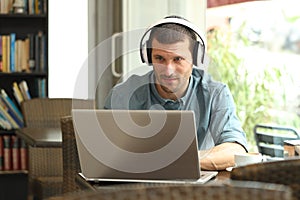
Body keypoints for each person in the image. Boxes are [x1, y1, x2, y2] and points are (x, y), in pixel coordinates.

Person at [104, 15, 248, 170]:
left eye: (178, 59)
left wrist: (180, 160)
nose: (168, 70)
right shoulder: (123, 93)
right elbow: (105, 150)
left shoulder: (216, 94)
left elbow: (235, 150)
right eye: (159, 58)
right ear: (148, 57)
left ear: (196, 57)